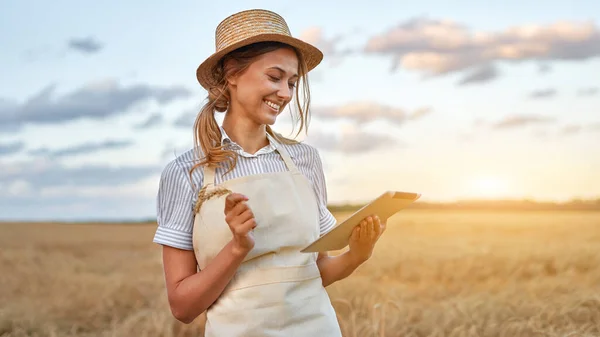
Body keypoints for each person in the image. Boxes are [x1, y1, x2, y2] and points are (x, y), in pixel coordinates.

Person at [153, 8, 387, 336]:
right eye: (275, 77)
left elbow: (315, 272)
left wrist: (357, 255)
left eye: (293, 82)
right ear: (232, 73)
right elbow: (183, 307)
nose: (287, 94)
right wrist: (237, 247)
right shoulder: (184, 174)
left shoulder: (305, 161)